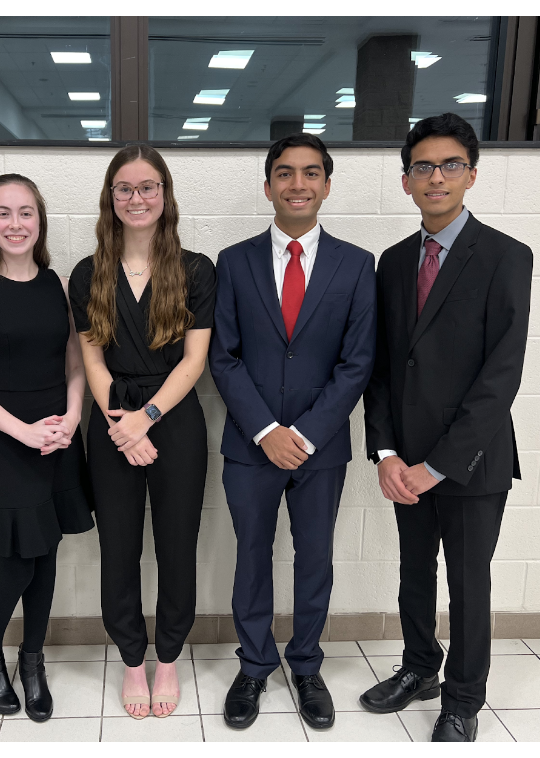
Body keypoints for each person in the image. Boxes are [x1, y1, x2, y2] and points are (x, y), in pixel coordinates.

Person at [360, 112, 533, 742]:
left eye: (450, 165)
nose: (437, 177)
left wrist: (439, 465)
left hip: (471, 463)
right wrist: (385, 452)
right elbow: (380, 367)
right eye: (423, 167)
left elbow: (500, 378)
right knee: (413, 573)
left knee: (467, 586)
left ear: (472, 175)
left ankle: (462, 698)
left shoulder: (507, 258)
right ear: (406, 181)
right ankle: (418, 667)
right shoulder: (395, 261)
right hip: (404, 460)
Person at [209, 133, 376, 731]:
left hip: (321, 448)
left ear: (327, 185)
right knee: (250, 557)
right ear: (268, 186)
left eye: (310, 173)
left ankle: (305, 664)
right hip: (250, 447)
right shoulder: (234, 261)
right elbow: (223, 358)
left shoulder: (358, 265)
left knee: (315, 559)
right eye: (285, 173)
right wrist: (264, 431)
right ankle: (254, 663)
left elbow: (357, 363)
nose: (297, 184)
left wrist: (302, 434)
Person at [68, 145, 216, 719]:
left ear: (165, 194)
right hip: (110, 421)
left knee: (177, 547)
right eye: (125, 188)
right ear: (111, 198)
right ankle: (133, 660)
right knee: (119, 548)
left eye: (147, 187)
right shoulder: (88, 273)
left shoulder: (198, 269)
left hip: (173, 420)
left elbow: (193, 363)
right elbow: (94, 363)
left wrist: (145, 420)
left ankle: (170, 657)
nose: (136, 198)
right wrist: (119, 425)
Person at [0, 174, 94, 722]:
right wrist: (24, 431)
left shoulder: (57, 284)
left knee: (47, 558)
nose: (15, 224)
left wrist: (73, 416)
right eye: (3, 213)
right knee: (16, 566)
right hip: (7, 441)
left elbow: (73, 362)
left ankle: (33, 662)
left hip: (57, 436)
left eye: (25, 212)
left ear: (40, 220)